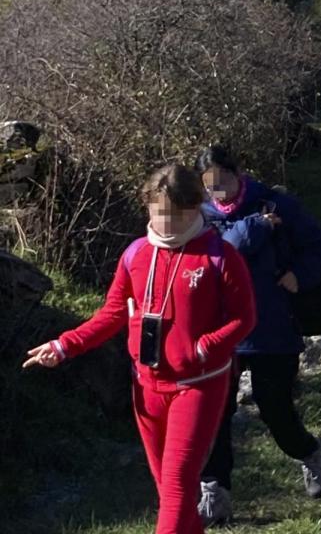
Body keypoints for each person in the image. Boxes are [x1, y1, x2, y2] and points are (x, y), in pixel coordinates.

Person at [23, 165, 257, 534]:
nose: (165, 223)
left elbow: (244, 318)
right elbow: (113, 313)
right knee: (170, 492)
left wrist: (204, 348)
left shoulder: (220, 257)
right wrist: (65, 345)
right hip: (146, 386)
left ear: (194, 207)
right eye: (157, 212)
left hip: (197, 386)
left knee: (178, 486)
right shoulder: (136, 254)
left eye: (175, 214)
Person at [193, 146, 321, 525]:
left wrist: (299, 276)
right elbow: (215, 256)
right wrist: (254, 227)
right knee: (214, 414)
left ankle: (308, 452)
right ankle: (215, 492)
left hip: (272, 327)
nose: (219, 192)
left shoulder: (276, 205)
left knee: (275, 408)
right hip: (220, 332)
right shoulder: (200, 217)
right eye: (210, 186)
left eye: (224, 180)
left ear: (238, 171)